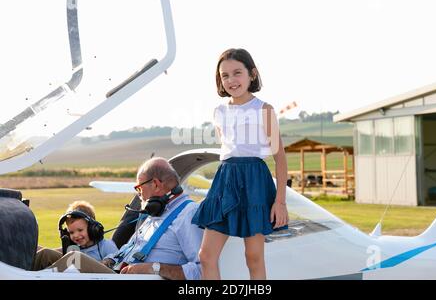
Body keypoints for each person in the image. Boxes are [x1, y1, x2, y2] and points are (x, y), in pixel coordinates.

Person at [191, 48, 289, 280]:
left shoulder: (264, 110)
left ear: (252, 74)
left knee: (253, 257)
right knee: (206, 255)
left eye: (237, 73)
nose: (231, 80)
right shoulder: (219, 112)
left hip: (254, 179)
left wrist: (280, 202)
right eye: (225, 75)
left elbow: (281, 158)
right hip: (225, 179)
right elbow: (227, 150)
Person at [47, 157, 204, 280]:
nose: (138, 194)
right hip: (116, 271)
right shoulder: (157, 212)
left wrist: (153, 267)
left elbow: (201, 270)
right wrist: (108, 260)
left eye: (139, 188)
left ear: (155, 185)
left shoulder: (188, 214)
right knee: (45, 255)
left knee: (75, 259)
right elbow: (127, 250)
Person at [33, 200, 118, 271]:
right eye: (71, 232)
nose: (76, 235)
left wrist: (107, 261)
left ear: (92, 228)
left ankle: (46, 274)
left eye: (80, 230)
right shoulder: (75, 246)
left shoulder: (106, 245)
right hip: (78, 275)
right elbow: (54, 251)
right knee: (46, 253)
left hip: (102, 276)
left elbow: (116, 259)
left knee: (74, 257)